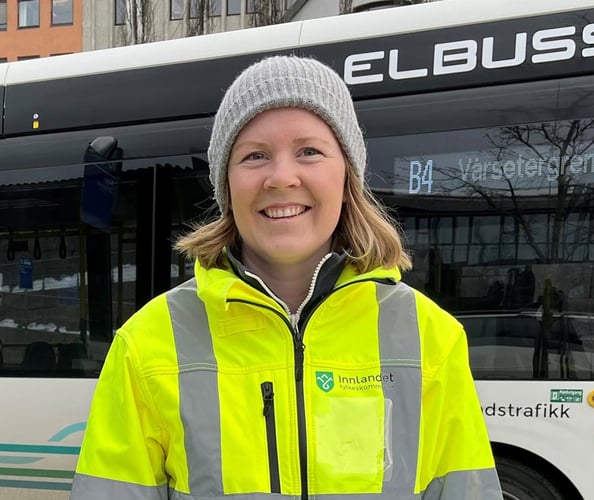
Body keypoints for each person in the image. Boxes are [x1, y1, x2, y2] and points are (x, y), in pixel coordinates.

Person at [71, 56, 501, 499]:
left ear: (347, 175)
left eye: (309, 151)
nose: (281, 177)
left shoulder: (433, 340)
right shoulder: (145, 346)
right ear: (227, 184)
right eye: (254, 155)